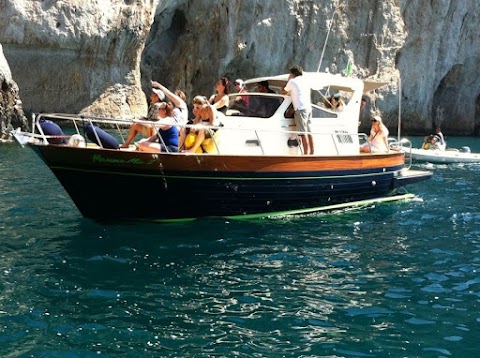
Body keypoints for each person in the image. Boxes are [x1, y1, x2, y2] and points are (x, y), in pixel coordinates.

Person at [281, 65, 314, 155]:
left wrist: (289, 80)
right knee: (309, 132)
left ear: (292, 73)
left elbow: (283, 91)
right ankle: (312, 153)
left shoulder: (292, 81)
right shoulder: (306, 81)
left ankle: (306, 155)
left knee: (302, 133)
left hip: (300, 108)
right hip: (308, 108)